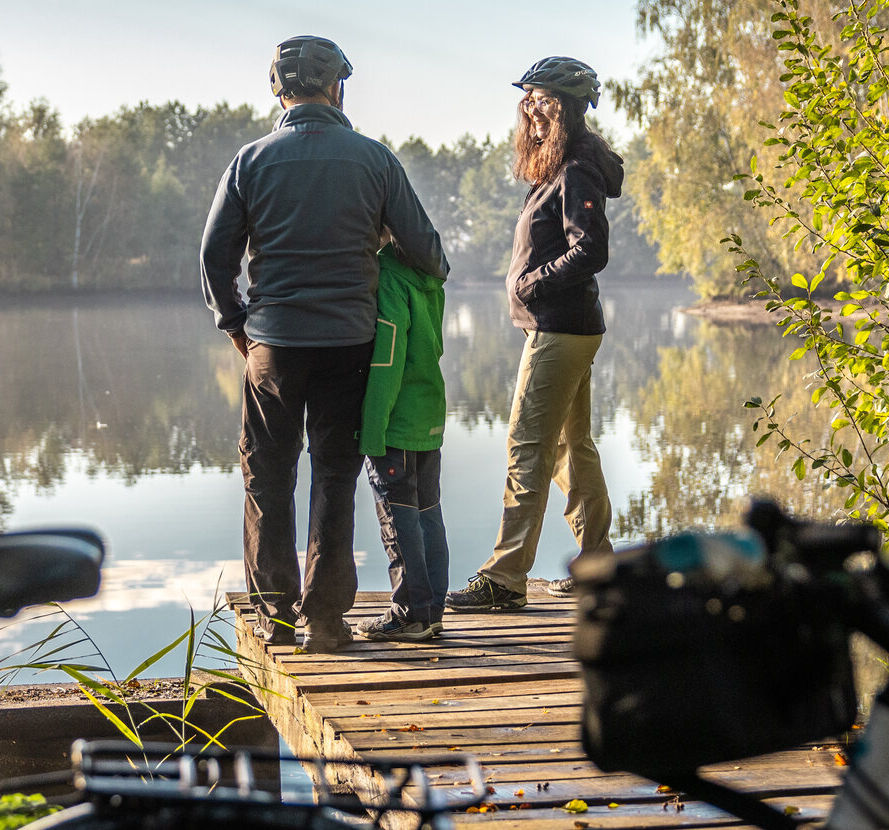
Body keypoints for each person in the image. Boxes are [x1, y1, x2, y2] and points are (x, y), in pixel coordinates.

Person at [202, 35, 449, 653]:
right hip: (351, 344)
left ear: (278, 89)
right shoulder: (375, 160)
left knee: (267, 477)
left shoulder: (250, 160)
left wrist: (236, 323)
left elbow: (214, 256)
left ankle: (277, 614)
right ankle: (329, 621)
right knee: (334, 476)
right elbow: (429, 254)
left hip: (273, 344)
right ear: (337, 87)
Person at [446, 56, 623, 613]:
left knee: (527, 446)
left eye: (543, 99)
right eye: (527, 98)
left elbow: (590, 249)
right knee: (572, 447)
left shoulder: (575, 170)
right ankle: (599, 566)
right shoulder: (560, 166)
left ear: (568, 108)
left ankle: (503, 577)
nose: (531, 108)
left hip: (558, 328)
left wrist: (531, 283)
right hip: (567, 326)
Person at [354, 244, 450, 642]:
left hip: (396, 421)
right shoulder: (429, 275)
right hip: (428, 413)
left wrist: (372, 429)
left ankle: (410, 613)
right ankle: (431, 611)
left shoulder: (389, 277)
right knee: (428, 515)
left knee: (399, 518)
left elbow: (387, 358)